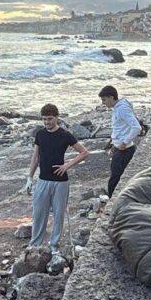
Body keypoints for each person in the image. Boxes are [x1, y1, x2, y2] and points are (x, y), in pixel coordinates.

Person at [26, 104, 89, 253]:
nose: (47, 122)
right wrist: (29, 177)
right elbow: (35, 158)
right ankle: (35, 245)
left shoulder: (65, 135)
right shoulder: (40, 134)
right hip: (42, 180)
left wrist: (67, 165)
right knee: (39, 213)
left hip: (61, 181)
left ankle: (54, 245)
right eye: (44, 119)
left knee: (59, 214)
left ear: (57, 117)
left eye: (50, 119)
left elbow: (84, 152)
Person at [98, 86, 143, 197]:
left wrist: (124, 142)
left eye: (104, 100)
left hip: (124, 150)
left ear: (111, 97)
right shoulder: (120, 106)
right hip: (120, 147)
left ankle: (112, 204)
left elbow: (136, 127)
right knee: (119, 178)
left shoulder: (122, 108)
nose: (103, 103)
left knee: (115, 179)